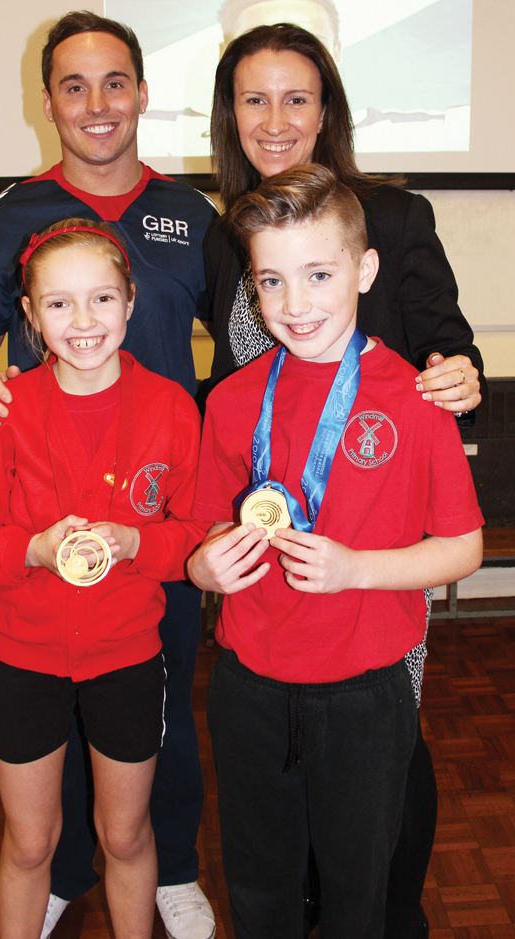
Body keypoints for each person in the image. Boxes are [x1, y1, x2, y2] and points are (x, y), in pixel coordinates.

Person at [202, 24, 484, 938]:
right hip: (258, 633)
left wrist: (458, 374)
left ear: (327, 108)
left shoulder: (389, 222)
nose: (276, 117)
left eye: (297, 97)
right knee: (266, 857)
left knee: (376, 807)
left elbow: (446, 343)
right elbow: (217, 444)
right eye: (254, 98)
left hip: (369, 559)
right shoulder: (227, 233)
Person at [0, 12, 217, 939]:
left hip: (155, 517)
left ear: (141, 92)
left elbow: (261, 341)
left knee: (158, 708)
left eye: (114, 83)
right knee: (42, 745)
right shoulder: (5, 216)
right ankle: (56, 868)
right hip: (41, 550)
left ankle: (166, 863)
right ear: (49, 100)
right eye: (73, 85)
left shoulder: (194, 216)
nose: (97, 105)